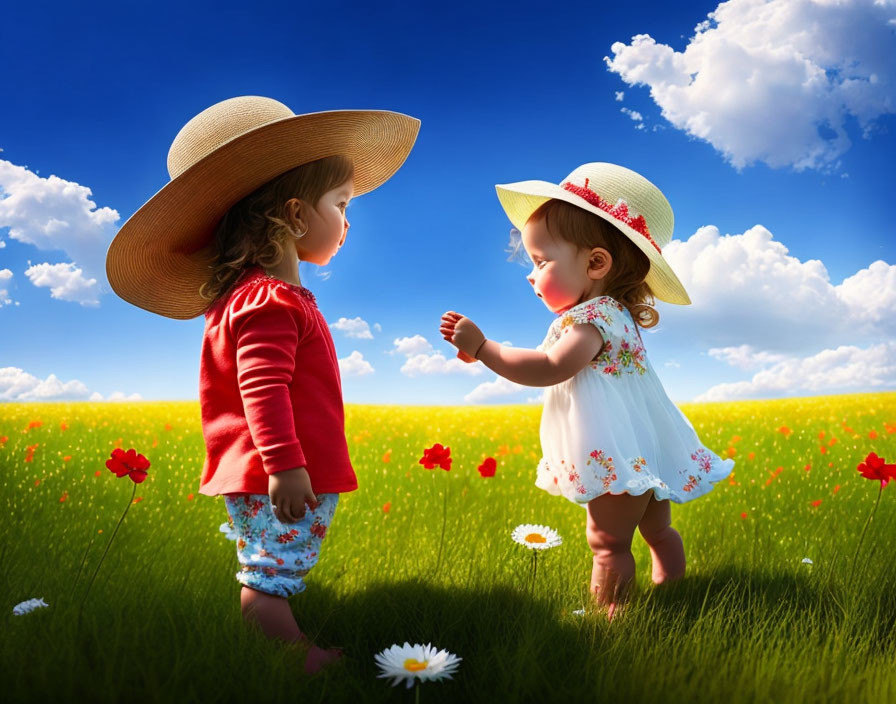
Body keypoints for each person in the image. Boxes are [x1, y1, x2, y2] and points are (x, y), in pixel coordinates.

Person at [106, 96, 419, 670]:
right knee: (270, 573)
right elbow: (262, 388)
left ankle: (277, 636)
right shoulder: (271, 302)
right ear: (296, 217)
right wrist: (285, 464)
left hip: (274, 466)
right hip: (277, 468)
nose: (348, 221)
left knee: (275, 561)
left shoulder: (248, 299)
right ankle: (288, 655)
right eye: (342, 204)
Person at [440, 162, 734, 621]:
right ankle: (673, 587)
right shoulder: (616, 314)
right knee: (658, 530)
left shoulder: (589, 320)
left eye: (541, 262)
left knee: (607, 541)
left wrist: (485, 348)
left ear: (596, 263)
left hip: (617, 453)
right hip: (646, 448)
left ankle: (611, 613)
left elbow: (549, 368)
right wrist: (478, 354)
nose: (530, 276)